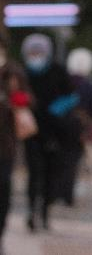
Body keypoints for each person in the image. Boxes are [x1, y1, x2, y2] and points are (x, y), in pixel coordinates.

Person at [21, 33, 78, 231]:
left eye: (39, 51)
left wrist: (57, 109)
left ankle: (45, 213)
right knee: (34, 173)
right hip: (31, 131)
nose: (36, 55)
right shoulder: (23, 74)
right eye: (32, 52)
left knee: (50, 175)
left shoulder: (57, 72)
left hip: (55, 132)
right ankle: (31, 211)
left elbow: (71, 96)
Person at [0, 35, 32, 249]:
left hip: (5, 145)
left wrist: (16, 97)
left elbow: (28, 99)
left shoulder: (13, 73)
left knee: (2, 188)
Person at [65, 48, 92, 202]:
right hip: (82, 133)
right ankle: (71, 194)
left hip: (62, 130)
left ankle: (63, 193)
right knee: (79, 164)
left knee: (64, 162)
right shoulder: (91, 87)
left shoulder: (63, 83)